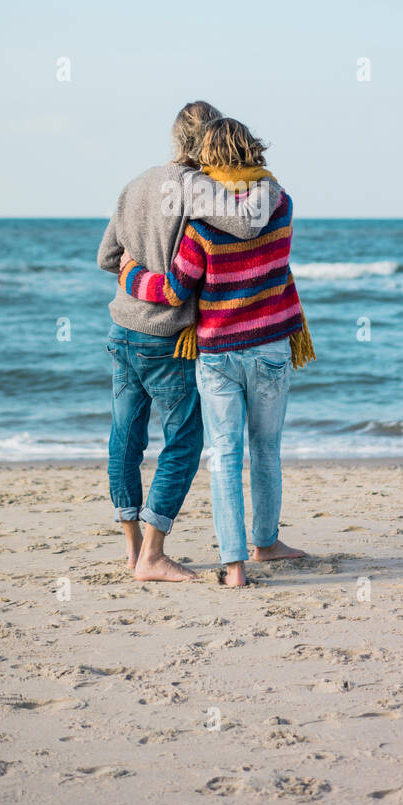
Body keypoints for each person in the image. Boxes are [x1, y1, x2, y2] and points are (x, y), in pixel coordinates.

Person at [117, 116, 314, 587]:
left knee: (225, 455)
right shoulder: (281, 203)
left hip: (218, 351)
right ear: (254, 150)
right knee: (266, 450)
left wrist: (128, 273)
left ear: (209, 159)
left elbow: (174, 290)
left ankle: (234, 567)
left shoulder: (203, 222)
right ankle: (266, 542)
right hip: (270, 345)